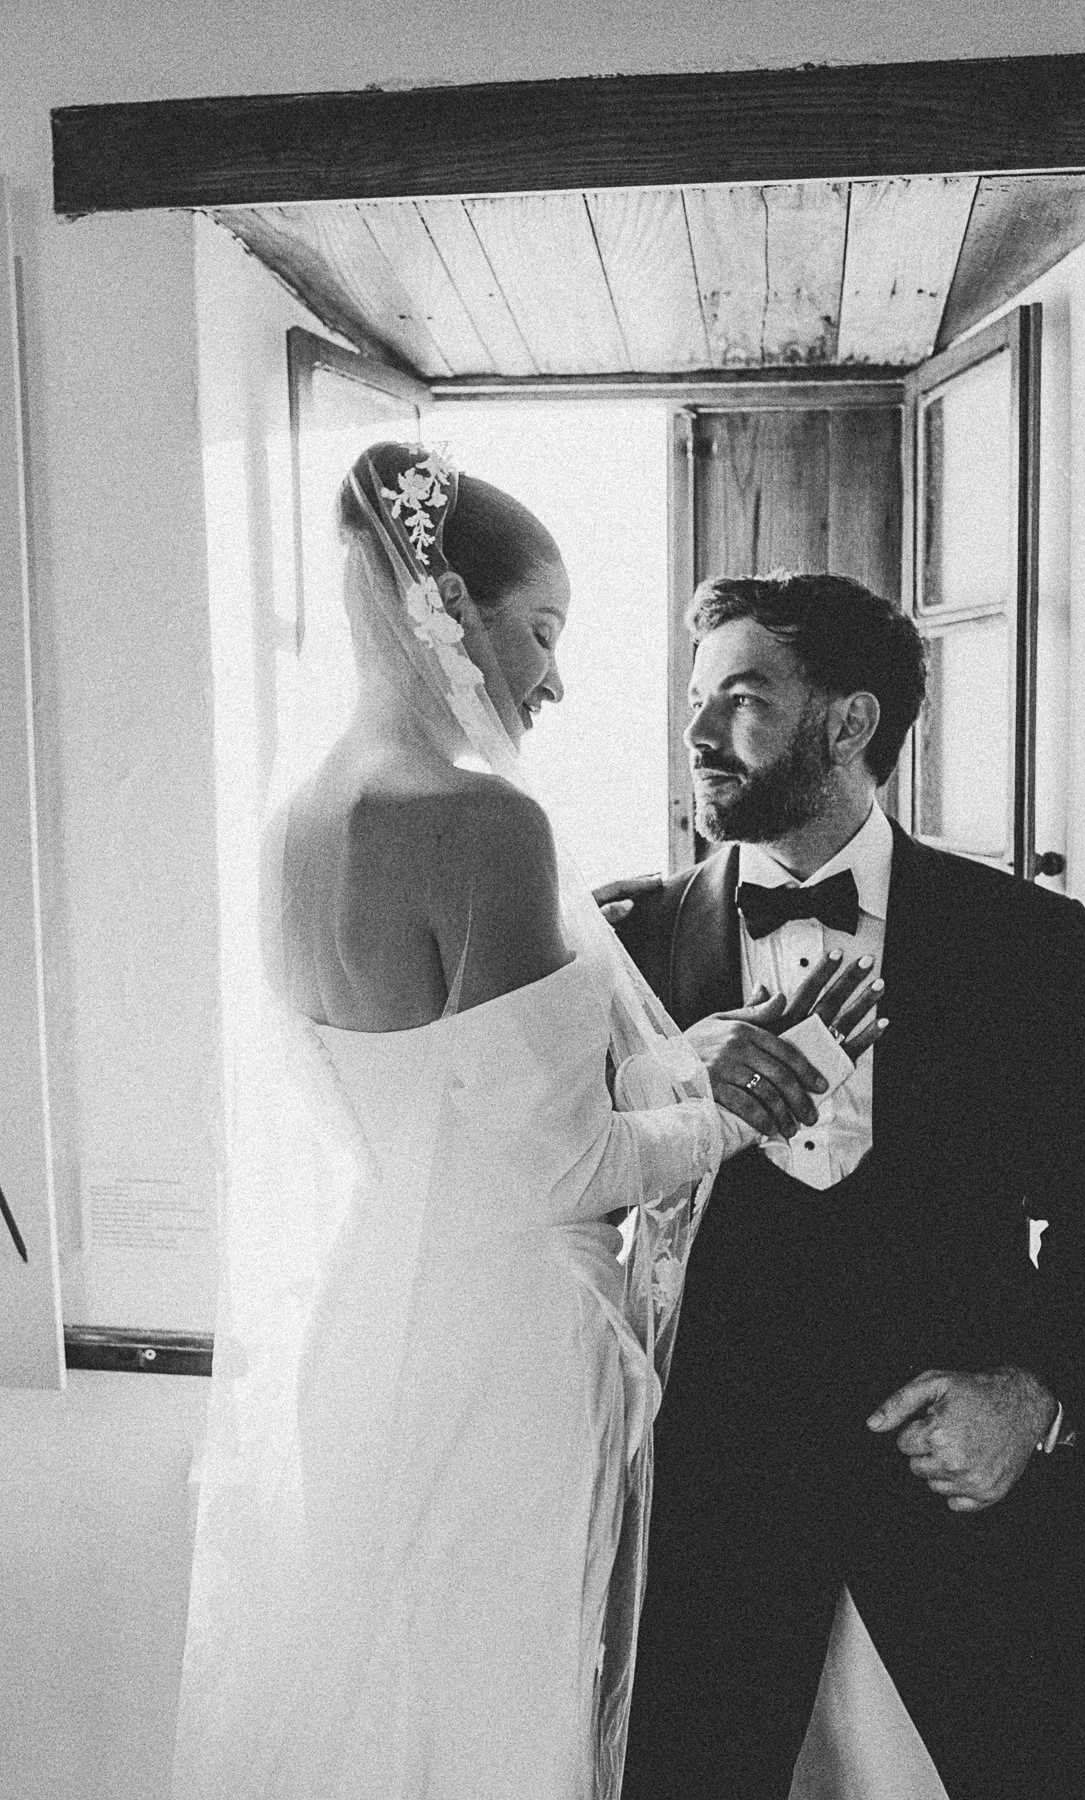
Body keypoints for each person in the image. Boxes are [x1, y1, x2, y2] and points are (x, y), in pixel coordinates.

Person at [170, 444, 799, 1800]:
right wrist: (738, 1115)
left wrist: (680, 1055)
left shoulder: (298, 821)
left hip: (374, 1326)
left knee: (387, 1714)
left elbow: (452, 1100)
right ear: (448, 607)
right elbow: (560, 1167)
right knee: (498, 1725)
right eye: (543, 631)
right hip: (504, 1349)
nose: (556, 675)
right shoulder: (485, 824)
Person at [616, 571, 1085, 1800]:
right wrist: (672, 1082)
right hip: (716, 1487)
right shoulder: (629, 947)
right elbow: (564, 1190)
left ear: (850, 721)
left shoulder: (1028, 940)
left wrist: (1028, 1392)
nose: (700, 734)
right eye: (695, 701)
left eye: (744, 700)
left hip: (961, 1460)